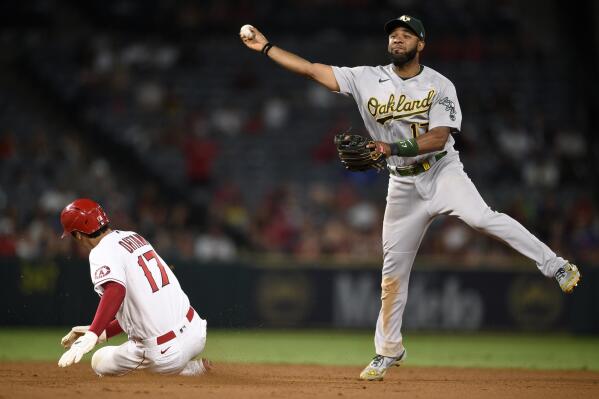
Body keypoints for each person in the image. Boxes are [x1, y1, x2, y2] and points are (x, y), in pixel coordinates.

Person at [240, 15, 581, 381]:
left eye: (407, 35)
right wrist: (267, 48)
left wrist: (389, 146)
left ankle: (555, 264)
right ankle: (388, 350)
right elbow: (310, 69)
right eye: (394, 34)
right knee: (392, 272)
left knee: (481, 217)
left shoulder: (439, 85)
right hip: (402, 183)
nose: (398, 39)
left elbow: (438, 137)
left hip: (441, 170)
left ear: (421, 44)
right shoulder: (366, 78)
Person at [57, 198, 211, 376]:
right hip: (196, 332)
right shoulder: (133, 236)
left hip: (165, 355)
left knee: (99, 361)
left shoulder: (100, 252)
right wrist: (100, 332)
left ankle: (187, 371)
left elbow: (115, 289)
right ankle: (190, 366)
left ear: (78, 234)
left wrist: (92, 334)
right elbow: (142, 308)